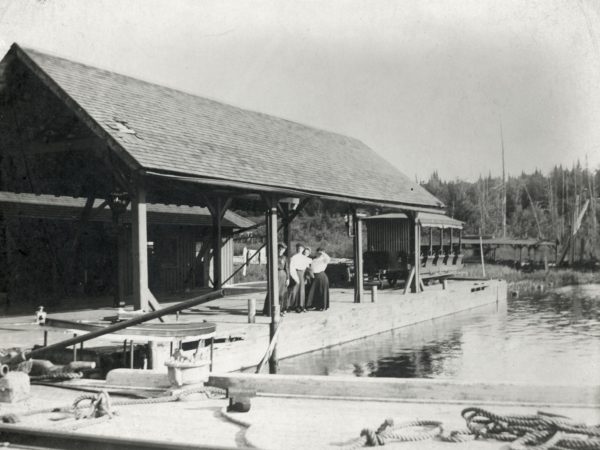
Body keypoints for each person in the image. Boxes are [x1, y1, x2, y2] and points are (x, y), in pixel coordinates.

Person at [262, 243, 289, 317]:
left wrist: (288, 278)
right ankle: (268, 311)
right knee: (272, 293)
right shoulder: (272, 256)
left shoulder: (284, 258)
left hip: (282, 275)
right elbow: (268, 267)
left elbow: (286, 268)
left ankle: (281, 310)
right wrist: (269, 276)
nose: (281, 251)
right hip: (274, 275)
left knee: (281, 294)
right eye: (280, 249)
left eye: (283, 249)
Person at [288, 243, 311, 312]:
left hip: (302, 274)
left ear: (303, 249)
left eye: (301, 248)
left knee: (301, 291)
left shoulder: (305, 258)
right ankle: (290, 305)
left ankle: (300, 306)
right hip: (295, 273)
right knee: (294, 290)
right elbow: (291, 267)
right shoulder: (294, 257)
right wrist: (294, 276)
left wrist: (306, 277)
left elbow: (307, 268)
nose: (299, 250)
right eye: (298, 248)